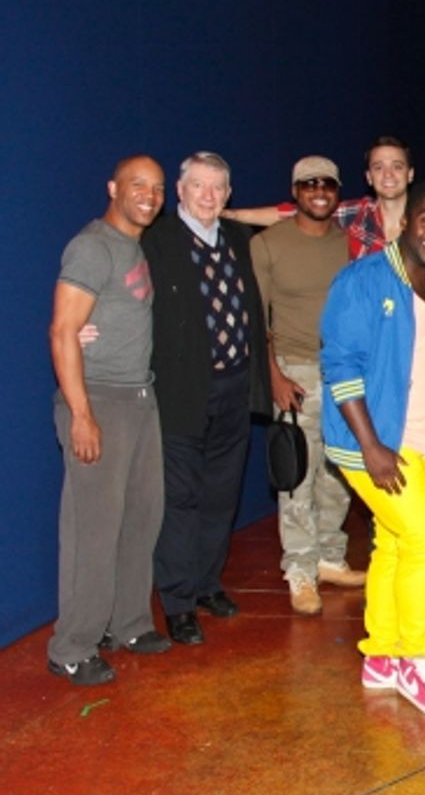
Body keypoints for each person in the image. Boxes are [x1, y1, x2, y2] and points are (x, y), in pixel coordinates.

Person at [321, 181, 425, 718]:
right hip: (376, 446)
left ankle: (380, 652)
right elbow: (341, 367)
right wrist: (373, 446)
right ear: (405, 221)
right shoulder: (364, 280)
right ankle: (415, 657)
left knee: (395, 546)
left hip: (423, 439)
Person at [47, 155, 171, 685]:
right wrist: (82, 415)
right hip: (99, 401)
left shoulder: (131, 248)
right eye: (138, 184)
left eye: (158, 188)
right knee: (92, 530)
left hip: (140, 399)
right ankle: (71, 645)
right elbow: (61, 332)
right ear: (113, 187)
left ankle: (129, 622)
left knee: (142, 518)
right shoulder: (92, 246)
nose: (149, 195)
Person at [144, 152, 271, 646]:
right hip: (180, 394)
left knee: (221, 493)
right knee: (181, 498)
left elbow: (290, 215)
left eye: (218, 187)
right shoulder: (156, 242)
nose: (208, 196)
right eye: (198, 186)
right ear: (180, 191)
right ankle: (177, 602)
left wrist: (237, 216)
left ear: (229, 194)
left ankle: (205, 585)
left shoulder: (241, 241)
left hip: (235, 388)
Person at [249, 155, 359, 615]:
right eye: (309, 184)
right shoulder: (269, 244)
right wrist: (273, 374)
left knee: (339, 471)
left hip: (346, 372)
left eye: (328, 184)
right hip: (295, 370)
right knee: (297, 474)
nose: (319, 191)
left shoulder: (350, 244)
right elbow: (258, 319)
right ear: (295, 192)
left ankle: (329, 557)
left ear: (337, 192)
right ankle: (299, 569)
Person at [223, 135, 414, 260]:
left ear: (410, 174)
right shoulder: (357, 214)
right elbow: (289, 213)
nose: (388, 174)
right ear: (369, 177)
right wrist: (230, 214)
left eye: (397, 166)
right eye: (378, 167)